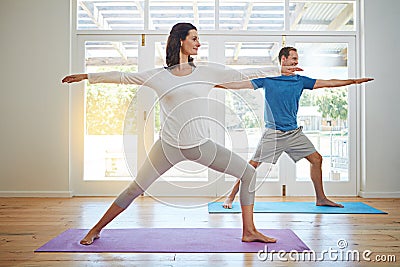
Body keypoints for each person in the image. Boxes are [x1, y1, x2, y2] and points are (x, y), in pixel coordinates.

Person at [62, 23, 301, 245]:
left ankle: (249, 231)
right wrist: (88, 77)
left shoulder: (207, 71)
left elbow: (241, 74)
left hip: (201, 146)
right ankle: (95, 229)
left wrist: (278, 69)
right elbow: (123, 77)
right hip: (167, 147)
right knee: (135, 188)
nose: (198, 43)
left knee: (249, 173)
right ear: (180, 41)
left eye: (199, 39)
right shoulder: (159, 76)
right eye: (194, 38)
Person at [217, 46, 373, 209]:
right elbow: (239, 85)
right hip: (273, 134)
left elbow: (329, 83)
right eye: (293, 59)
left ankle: (321, 198)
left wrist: (354, 81)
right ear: (283, 59)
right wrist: (215, 85)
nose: (296, 62)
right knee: (251, 166)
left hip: (293, 133)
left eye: (297, 59)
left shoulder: (300, 80)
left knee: (316, 159)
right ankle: (230, 197)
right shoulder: (268, 79)